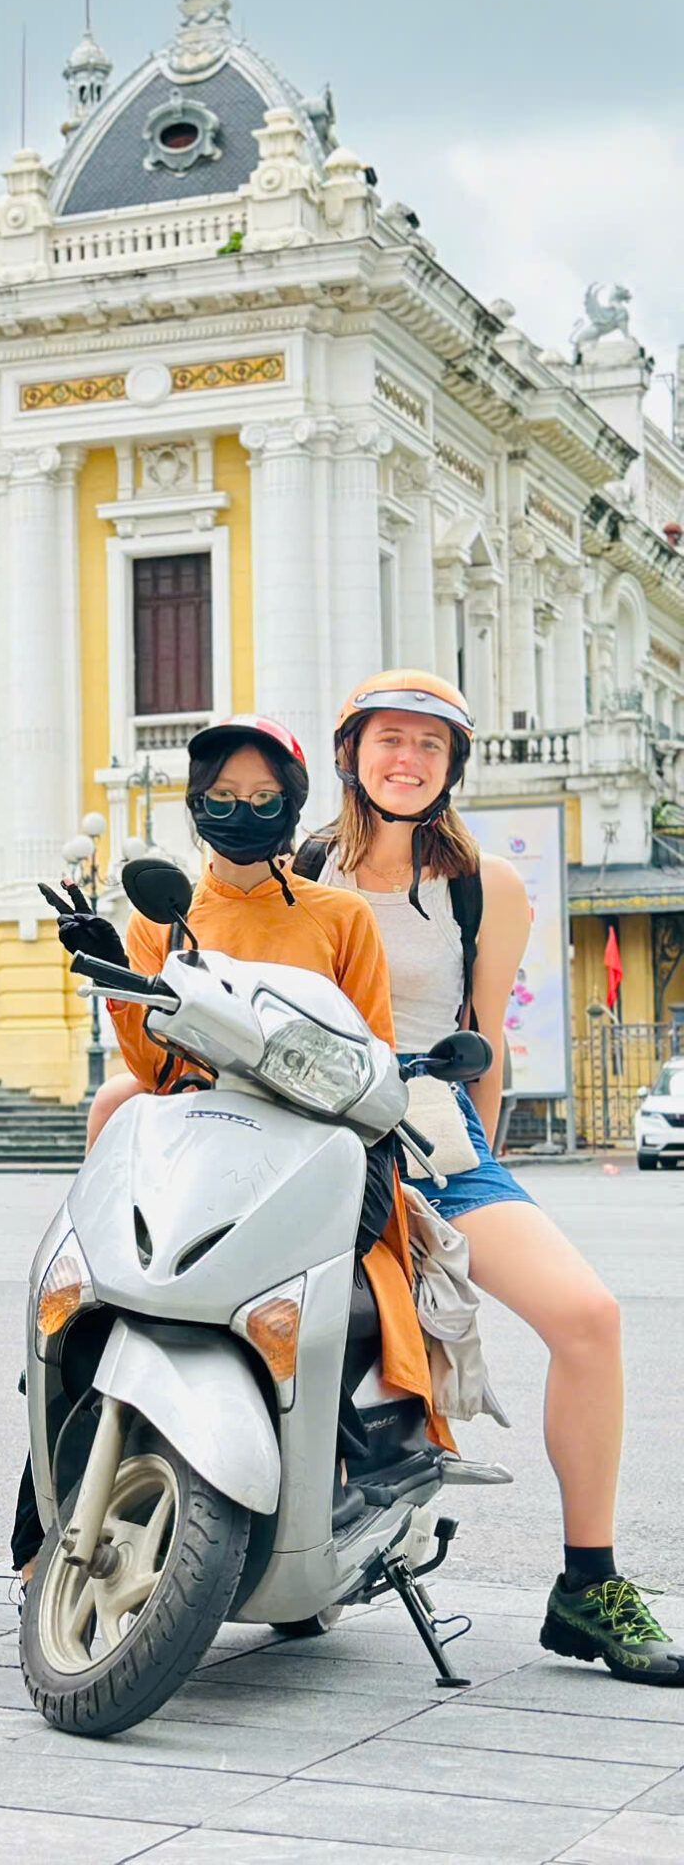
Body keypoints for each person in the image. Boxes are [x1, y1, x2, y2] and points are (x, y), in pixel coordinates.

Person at [306, 671, 674, 1684]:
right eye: (389, 739)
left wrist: (483, 1165)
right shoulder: (299, 871)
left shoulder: (486, 886)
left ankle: (587, 1583)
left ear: (451, 766)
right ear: (351, 753)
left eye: (430, 746)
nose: (407, 760)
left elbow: (482, 1039)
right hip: (307, 1128)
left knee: (588, 1317)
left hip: (431, 1128)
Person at [17, 716, 433, 1570]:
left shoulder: (339, 916)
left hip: (317, 1143)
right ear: (195, 804)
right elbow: (149, 1069)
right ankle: (43, 1519)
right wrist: (118, 982)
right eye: (222, 799)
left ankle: (355, 1453)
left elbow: (373, 1064)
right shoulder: (159, 917)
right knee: (89, 1300)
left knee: (323, 1295)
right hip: (202, 1138)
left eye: (263, 799)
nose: (242, 813)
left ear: (293, 803)